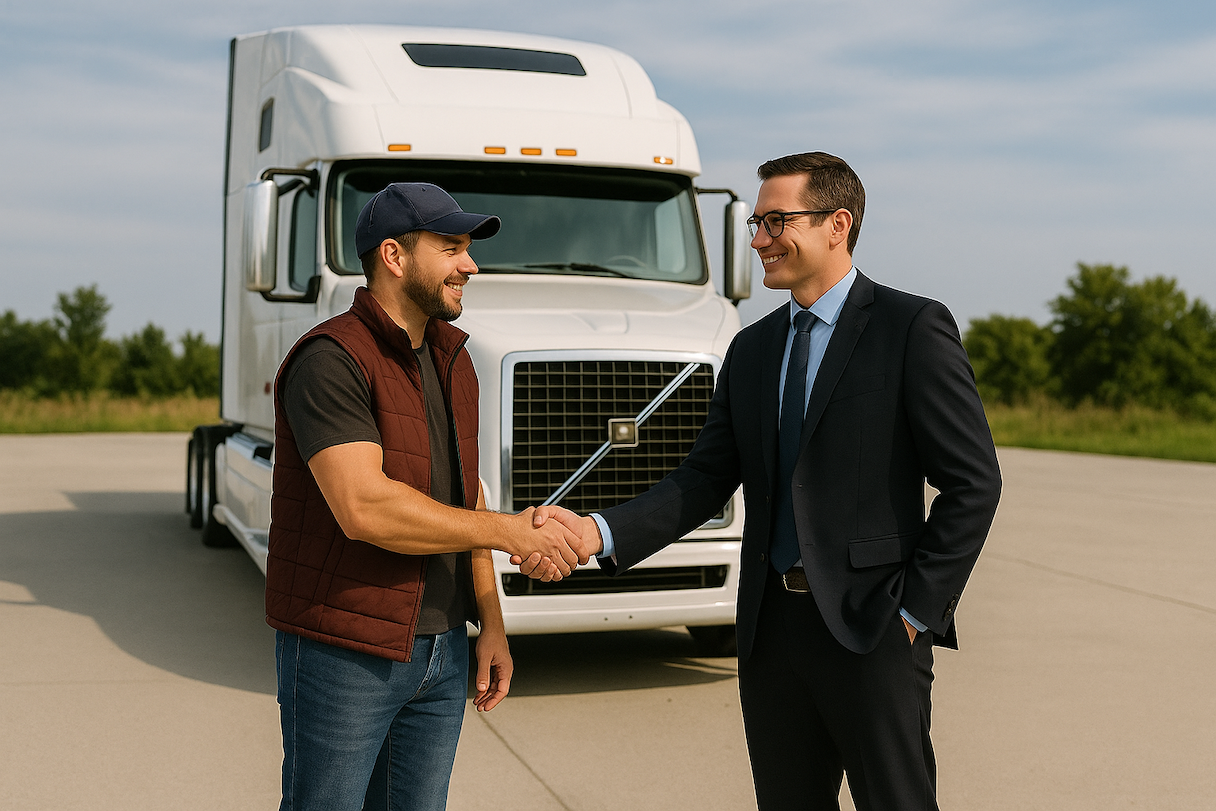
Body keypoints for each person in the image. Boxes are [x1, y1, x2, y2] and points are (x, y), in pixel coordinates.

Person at [524, 153, 1002, 810]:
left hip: (873, 631)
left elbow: (973, 483)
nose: (757, 240)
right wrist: (597, 530)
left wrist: (916, 611)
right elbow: (703, 479)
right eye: (756, 222)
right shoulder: (751, 349)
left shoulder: (911, 328)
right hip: (771, 635)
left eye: (777, 221)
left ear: (838, 224)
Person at [267, 182, 584, 811]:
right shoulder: (330, 359)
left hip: (441, 652)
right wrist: (512, 531)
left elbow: (468, 498)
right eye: (451, 247)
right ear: (394, 255)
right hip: (345, 654)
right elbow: (364, 507)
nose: (470, 265)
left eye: (467, 248)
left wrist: (490, 624)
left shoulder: (452, 358)